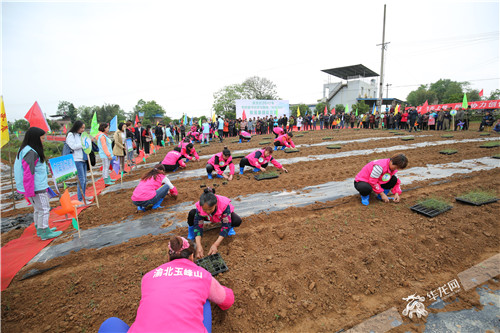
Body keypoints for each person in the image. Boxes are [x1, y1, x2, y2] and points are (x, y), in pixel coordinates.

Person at [98, 236, 234, 333]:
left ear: (168, 257)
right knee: (204, 300)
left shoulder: (149, 277)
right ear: (191, 257)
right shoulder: (202, 275)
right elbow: (227, 300)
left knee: (110, 323)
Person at [14, 127, 62, 240]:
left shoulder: (25, 150)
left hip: (33, 187)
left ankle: (40, 228)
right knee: (44, 208)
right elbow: (28, 173)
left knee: (38, 209)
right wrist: (29, 191)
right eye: (42, 137)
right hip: (36, 187)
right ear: (35, 138)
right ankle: (45, 230)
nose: (44, 139)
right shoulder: (31, 153)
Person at [187, 188, 241, 255]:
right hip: (208, 217)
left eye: (210, 209)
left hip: (220, 216)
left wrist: (215, 244)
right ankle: (191, 232)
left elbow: (226, 225)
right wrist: (198, 245)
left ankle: (230, 229)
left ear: (215, 204)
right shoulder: (200, 207)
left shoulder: (223, 205)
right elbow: (198, 226)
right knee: (192, 213)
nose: (207, 211)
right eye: (205, 209)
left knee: (236, 220)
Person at [66, 120, 92, 203]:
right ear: (77, 127)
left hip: (83, 158)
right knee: (81, 180)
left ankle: (83, 195)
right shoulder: (71, 135)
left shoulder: (81, 135)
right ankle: (80, 199)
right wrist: (84, 144)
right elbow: (73, 146)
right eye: (82, 128)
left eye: (84, 128)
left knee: (84, 179)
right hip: (76, 159)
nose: (83, 130)